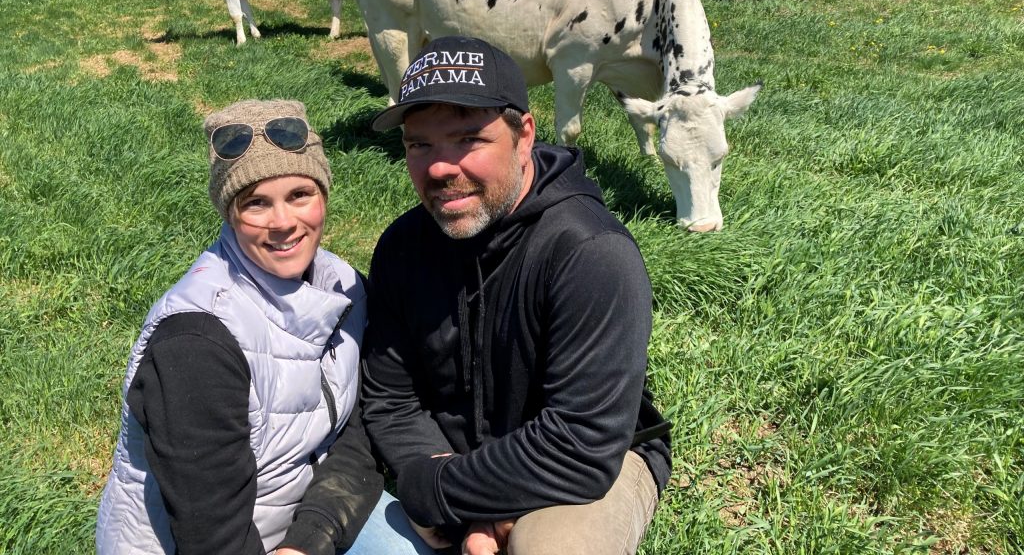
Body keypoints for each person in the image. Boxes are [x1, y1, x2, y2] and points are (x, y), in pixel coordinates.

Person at [361, 37, 673, 555]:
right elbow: (390, 397)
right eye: (420, 145)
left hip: (589, 462)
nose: (440, 168)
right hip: (456, 458)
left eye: (468, 139)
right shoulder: (402, 247)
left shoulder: (589, 252)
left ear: (523, 136)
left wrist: (437, 492)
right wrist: (452, 491)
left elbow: (581, 445)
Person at [96, 99, 435, 555]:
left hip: (302, 513)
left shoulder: (346, 286)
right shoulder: (196, 340)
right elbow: (210, 531)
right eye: (256, 203)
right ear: (229, 213)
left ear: (324, 196)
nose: (283, 223)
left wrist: (310, 539)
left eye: (300, 195)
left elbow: (357, 430)